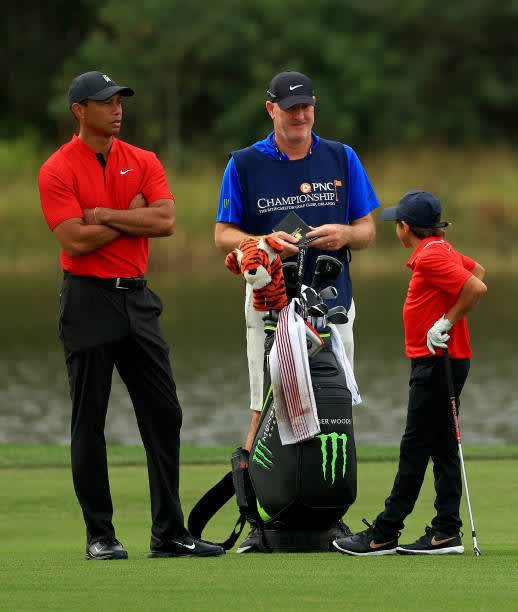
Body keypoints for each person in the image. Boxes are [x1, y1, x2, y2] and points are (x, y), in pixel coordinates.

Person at [38, 71, 224, 560]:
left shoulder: (143, 159)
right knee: (89, 420)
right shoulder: (57, 168)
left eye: (120, 100)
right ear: (79, 109)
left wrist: (101, 214)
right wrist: (128, 214)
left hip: (137, 299)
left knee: (165, 413)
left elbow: (163, 220)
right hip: (87, 300)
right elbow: (73, 240)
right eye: (105, 102)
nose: (117, 108)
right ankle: (100, 535)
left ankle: (169, 534)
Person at [214, 70, 380, 454]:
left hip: (333, 299)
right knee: (265, 406)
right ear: (272, 109)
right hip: (269, 301)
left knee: (336, 402)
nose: (299, 115)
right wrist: (263, 241)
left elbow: (368, 230)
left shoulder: (342, 157)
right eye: (290, 108)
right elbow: (223, 235)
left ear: (314, 107)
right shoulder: (243, 163)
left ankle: (329, 503)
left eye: (305, 106)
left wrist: (346, 234)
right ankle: (256, 502)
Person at [333, 190, 487, 556]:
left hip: (437, 362)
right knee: (443, 445)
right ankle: (446, 530)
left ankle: (384, 533)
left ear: (405, 228)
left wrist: (445, 322)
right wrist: (446, 318)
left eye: (396, 224)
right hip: (444, 360)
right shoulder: (438, 249)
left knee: (415, 446)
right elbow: (476, 270)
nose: (395, 230)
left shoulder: (432, 255)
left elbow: (476, 285)